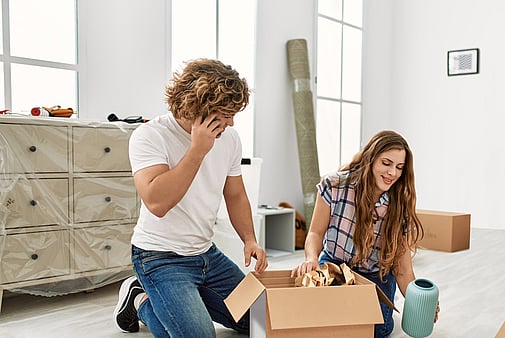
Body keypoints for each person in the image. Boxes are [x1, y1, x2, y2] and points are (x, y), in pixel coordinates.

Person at [113, 58, 268, 337]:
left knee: (260, 321)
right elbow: (157, 203)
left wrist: (249, 239)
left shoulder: (230, 139)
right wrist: (197, 150)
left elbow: (235, 195)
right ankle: (141, 301)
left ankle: (185, 298)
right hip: (159, 257)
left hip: (206, 255)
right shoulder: (149, 136)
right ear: (198, 107)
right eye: (224, 113)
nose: (231, 122)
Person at [291, 130, 439, 338]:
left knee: (374, 330)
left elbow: (403, 271)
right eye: (386, 163)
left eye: (399, 167)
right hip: (335, 266)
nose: (392, 173)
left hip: (374, 276)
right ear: (370, 158)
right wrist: (311, 258)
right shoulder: (334, 186)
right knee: (314, 318)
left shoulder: (399, 207)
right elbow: (315, 232)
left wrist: (421, 301)